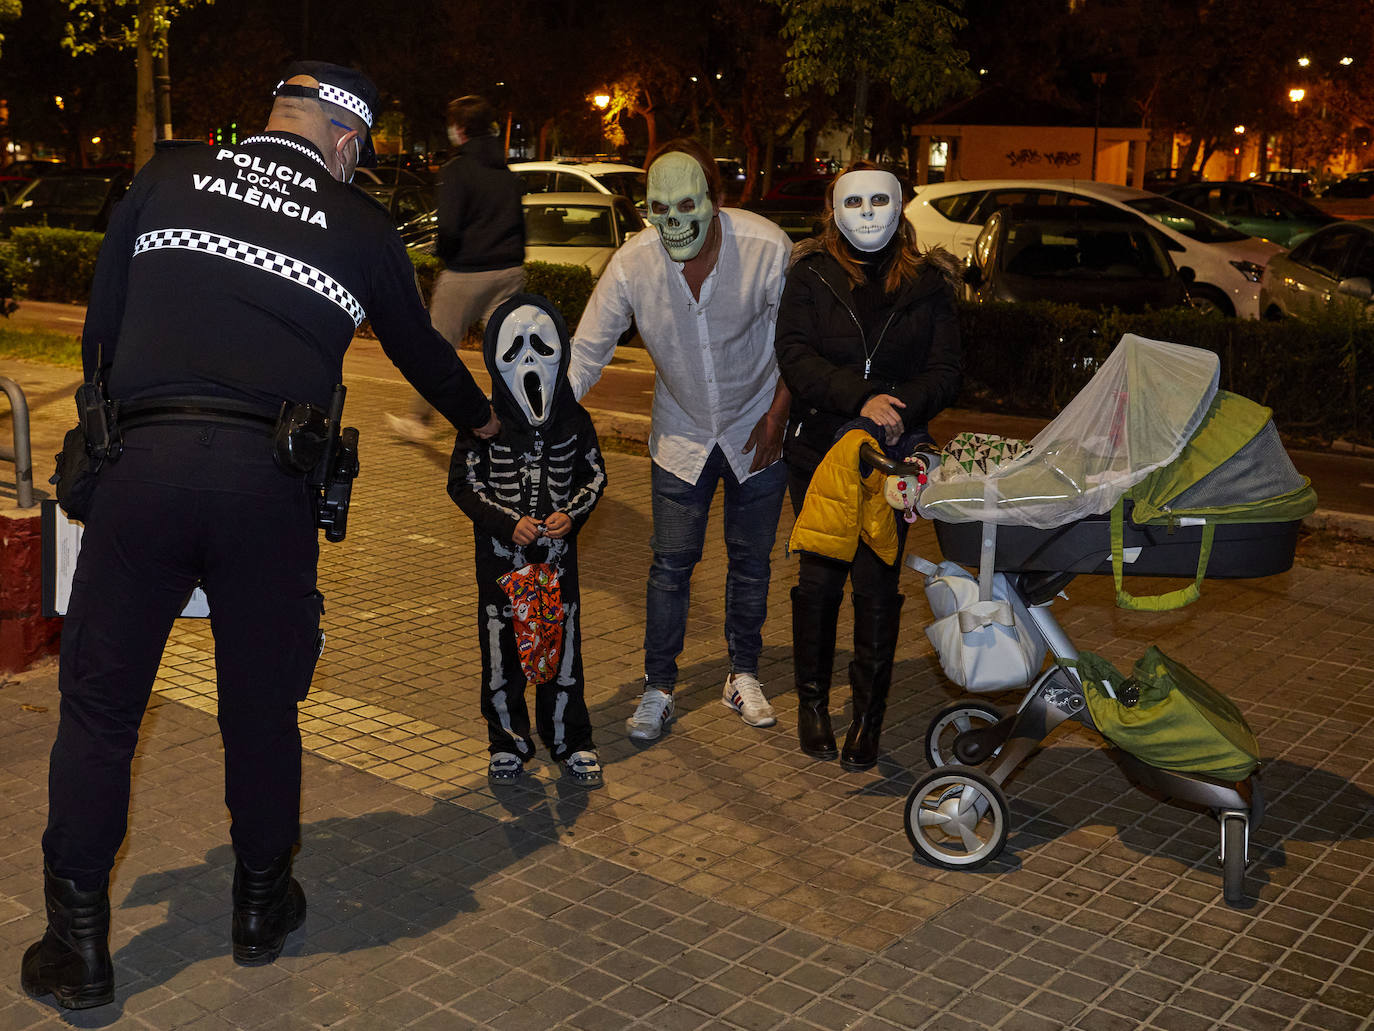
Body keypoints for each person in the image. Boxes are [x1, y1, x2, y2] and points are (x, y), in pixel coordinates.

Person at [21, 61, 500, 1010]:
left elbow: (101, 328)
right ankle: (258, 908)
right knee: (260, 707)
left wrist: (116, 432)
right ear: (349, 143)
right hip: (267, 484)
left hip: (143, 467)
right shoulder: (359, 227)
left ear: (274, 116)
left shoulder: (165, 174)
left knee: (102, 712)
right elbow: (421, 352)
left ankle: (78, 946)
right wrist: (488, 424)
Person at [567, 138, 792, 742]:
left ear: (717, 201)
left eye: (687, 205)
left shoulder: (768, 249)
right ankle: (659, 688)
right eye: (658, 209)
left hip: (758, 428)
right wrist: (538, 412)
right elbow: (587, 352)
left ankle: (741, 674)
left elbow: (801, 345)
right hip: (681, 435)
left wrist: (776, 417)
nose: (672, 222)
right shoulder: (632, 263)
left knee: (751, 564)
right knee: (670, 566)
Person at [774, 162, 963, 771]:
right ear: (832, 209)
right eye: (853, 201)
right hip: (821, 452)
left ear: (901, 204)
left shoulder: (930, 284)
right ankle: (811, 707)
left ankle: (867, 721)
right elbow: (795, 357)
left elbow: (946, 371)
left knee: (878, 587)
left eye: (881, 199)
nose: (868, 211)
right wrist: (858, 399)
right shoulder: (809, 275)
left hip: (894, 457)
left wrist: (893, 409)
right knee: (820, 583)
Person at [447, 293, 607, 785]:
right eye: (515, 350)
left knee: (563, 655)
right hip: (501, 569)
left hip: (558, 568)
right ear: (494, 358)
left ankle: (570, 740)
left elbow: (595, 477)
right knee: (502, 656)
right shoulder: (482, 424)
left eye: (542, 346)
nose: (531, 361)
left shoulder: (575, 421)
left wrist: (571, 514)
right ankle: (507, 743)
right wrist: (504, 521)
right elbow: (463, 483)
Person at [387, 94, 525, 442]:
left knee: (437, 347)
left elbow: (448, 227)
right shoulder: (504, 170)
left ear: (460, 129)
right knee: (507, 348)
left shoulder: (457, 171)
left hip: (466, 273)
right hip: (509, 271)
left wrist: (444, 256)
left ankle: (419, 419)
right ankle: (521, 414)